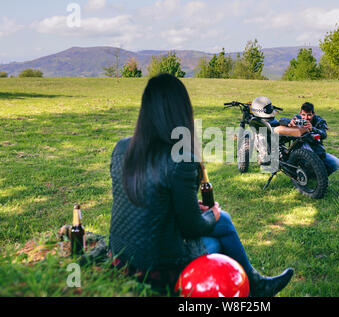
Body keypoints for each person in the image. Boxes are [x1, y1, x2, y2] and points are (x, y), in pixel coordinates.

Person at [108, 73, 293, 296]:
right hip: (158, 268)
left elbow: (143, 198)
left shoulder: (121, 148)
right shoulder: (182, 158)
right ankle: (255, 286)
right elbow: (191, 227)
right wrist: (212, 214)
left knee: (222, 221)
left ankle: (256, 282)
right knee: (221, 232)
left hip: (120, 258)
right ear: (181, 111)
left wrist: (185, 203)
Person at [274, 102, 339, 176]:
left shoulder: (319, 121)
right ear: (300, 113)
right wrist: (289, 123)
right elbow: (281, 120)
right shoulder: (297, 118)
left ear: (313, 114)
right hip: (297, 152)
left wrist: (313, 129)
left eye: (309, 115)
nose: (306, 118)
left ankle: (317, 176)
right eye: (303, 115)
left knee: (335, 163)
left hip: (316, 150)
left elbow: (323, 135)